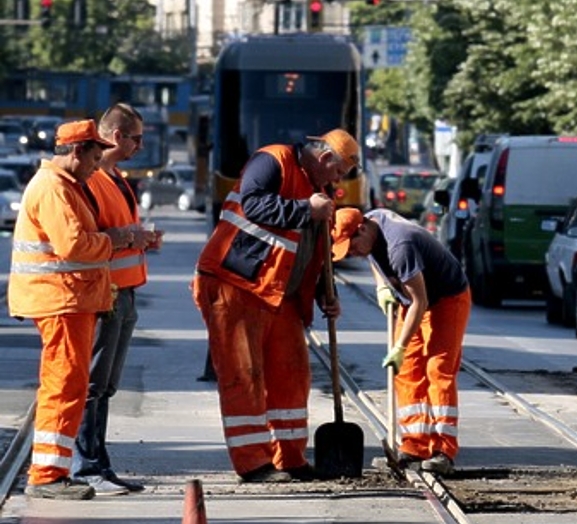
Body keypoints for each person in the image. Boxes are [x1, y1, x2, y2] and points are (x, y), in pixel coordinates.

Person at [192, 129, 357, 483]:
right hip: (235, 285)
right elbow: (252, 203)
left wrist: (325, 295)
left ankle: (290, 458)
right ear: (325, 158)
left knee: (293, 374)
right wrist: (304, 209)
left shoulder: (322, 194)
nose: (338, 180)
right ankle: (254, 463)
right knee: (244, 376)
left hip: (279, 295)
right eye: (339, 172)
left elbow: (314, 254)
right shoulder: (274, 159)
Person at [9, 120, 148, 500]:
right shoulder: (55, 188)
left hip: (69, 299)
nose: (97, 163)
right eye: (94, 155)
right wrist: (114, 239)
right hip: (61, 300)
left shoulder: (67, 186)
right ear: (76, 151)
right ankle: (47, 475)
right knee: (63, 386)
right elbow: (73, 246)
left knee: (68, 385)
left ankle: (51, 471)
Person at [332, 207, 471, 475]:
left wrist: (400, 346)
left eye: (352, 248)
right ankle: (414, 445)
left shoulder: (401, 245)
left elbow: (421, 301)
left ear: (361, 229)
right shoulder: (372, 222)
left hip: (446, 298)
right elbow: (372, 254)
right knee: (406, 371)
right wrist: (382, 285)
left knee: (437, 369)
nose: (353, 254)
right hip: (413, 299)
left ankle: (443, 450)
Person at [69, 104, 160, 496]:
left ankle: (98, 464)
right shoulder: (94, 181)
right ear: (116, 136)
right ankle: (85, 466)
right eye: (136, 137)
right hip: (104, 291)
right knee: (92, 383)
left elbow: (117, 231)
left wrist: (140, 239)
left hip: (124, 289)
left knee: (105, 386)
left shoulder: (116, 178)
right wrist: (128, 237)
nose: (141, 145)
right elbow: (93, 237)